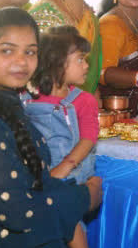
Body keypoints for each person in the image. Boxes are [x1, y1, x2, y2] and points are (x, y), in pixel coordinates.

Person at [0, 8, 102, 248]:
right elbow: (19, 212)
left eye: (30, 52)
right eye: (7, 50)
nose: (22, 61)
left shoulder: (4, 102)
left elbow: (37, 180)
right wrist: (85, 197)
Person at [23, 27, 98, 185]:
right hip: (36, 172)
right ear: (56, 62)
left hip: (71, 175)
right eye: (80, 59)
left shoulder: (84, 100)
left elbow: (88, 138)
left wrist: (65, 166)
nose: (86, 66)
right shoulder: (26, 96)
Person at [29, 0, 102, 95]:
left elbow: (95, 64)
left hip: (84, 100)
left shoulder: (91, 16)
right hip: (47, 100)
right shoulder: (44, 11)